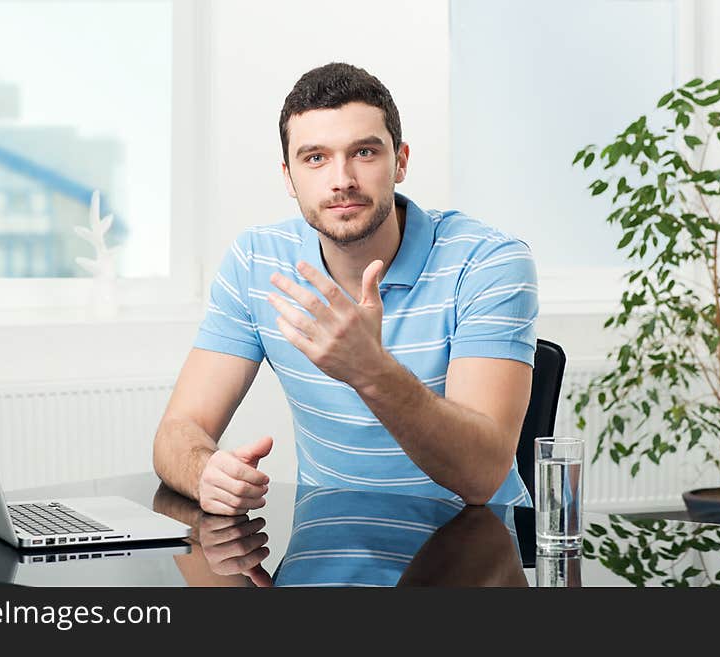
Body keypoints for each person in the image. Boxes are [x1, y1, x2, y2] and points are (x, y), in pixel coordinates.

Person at [153, 62, 538, 515]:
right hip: (327, 546)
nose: (342, 180)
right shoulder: (257, 260)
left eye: (365, 152)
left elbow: (482, 474)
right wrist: (204, 472)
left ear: (402, 161)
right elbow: (178, 430)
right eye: (315, 158)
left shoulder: (487, 261)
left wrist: (369, 369)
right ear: (287, 176)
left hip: (473, 554)